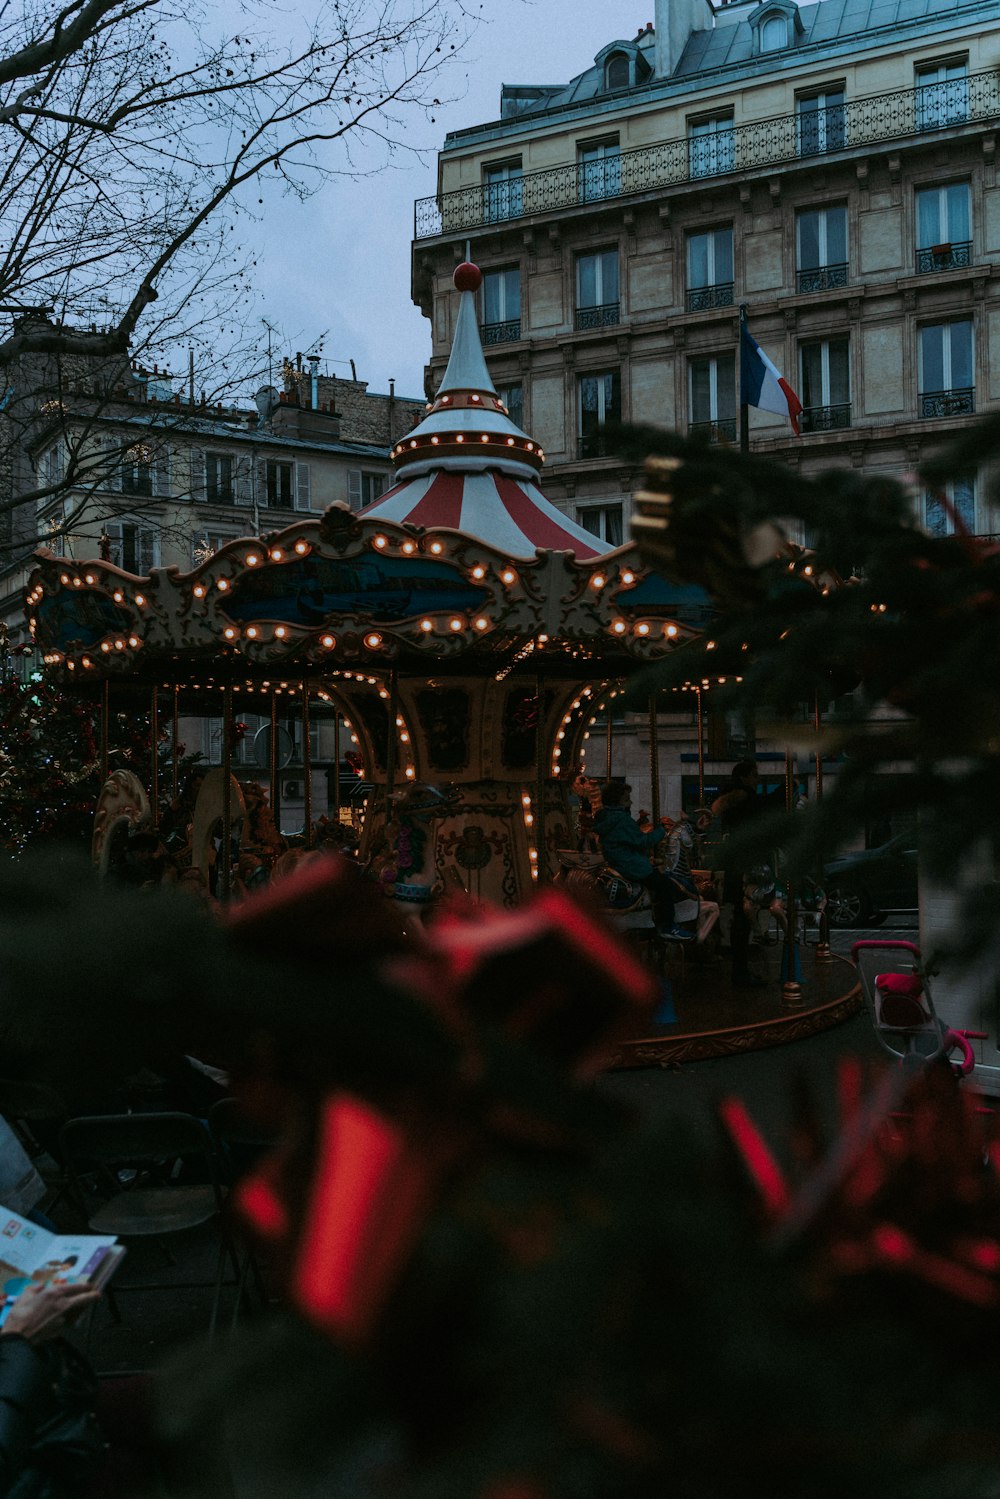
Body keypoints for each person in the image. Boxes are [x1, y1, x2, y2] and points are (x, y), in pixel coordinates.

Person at [593, 783, 693, 941]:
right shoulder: (621, 819)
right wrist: (661, 831)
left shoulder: (607, 818)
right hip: (631, 865)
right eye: (627, 800)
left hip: (618, 862)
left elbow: (626, 837)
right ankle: (667, 926)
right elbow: (643, 842)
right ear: (618, 802)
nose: (630, 803)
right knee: (664, 885)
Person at [712, 761, 777, 989]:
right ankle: (740, 972)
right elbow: (763, 813)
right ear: (744, 778)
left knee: (741, 917)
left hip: (736, 865)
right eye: (754, 775)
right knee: (744, 917)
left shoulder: (733, 803)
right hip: (746, 866)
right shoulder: (746, 799)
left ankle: (740, 969)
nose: (757, 779)